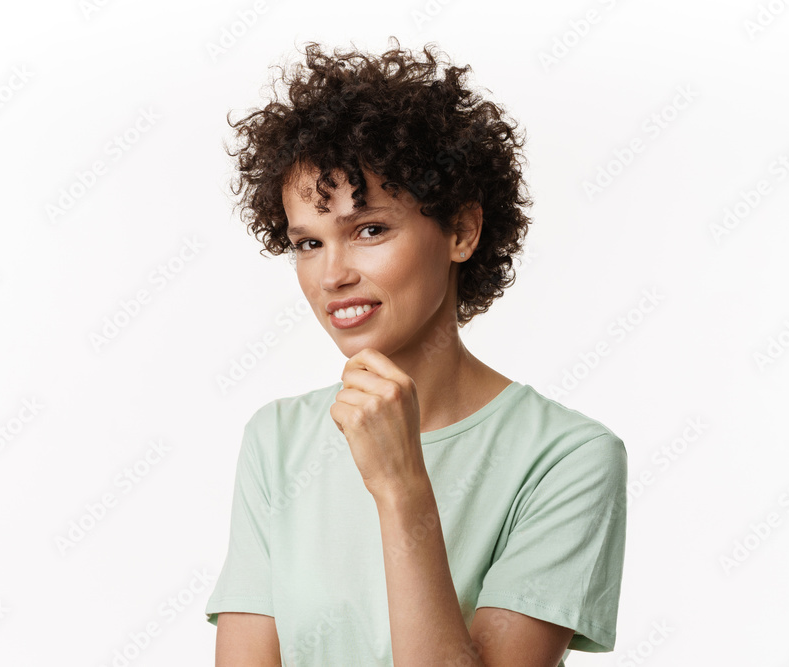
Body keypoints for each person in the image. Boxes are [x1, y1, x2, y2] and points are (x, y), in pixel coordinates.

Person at [204, 37, 628, 667]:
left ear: (460, 231)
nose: (333, 276)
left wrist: (401, 490)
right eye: (309, 244)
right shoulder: (278, 441)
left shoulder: (566, 459)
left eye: (369, 230)